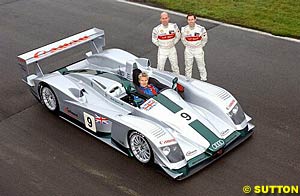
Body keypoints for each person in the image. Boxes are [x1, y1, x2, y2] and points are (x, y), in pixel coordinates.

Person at [181, 14, 208, 81]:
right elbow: (183, 39)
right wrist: (188, 45)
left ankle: (204, 80)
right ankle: (188, 80)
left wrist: (200, 46)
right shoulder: (184, 29)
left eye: (192, 19)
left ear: (195, 20)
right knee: (188, 67)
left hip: (198, 49)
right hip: (188, 50)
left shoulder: (201, 29)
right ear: (187, 21)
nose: (191, 21)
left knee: (201, 66)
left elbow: (204, 39)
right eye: (189, 20)